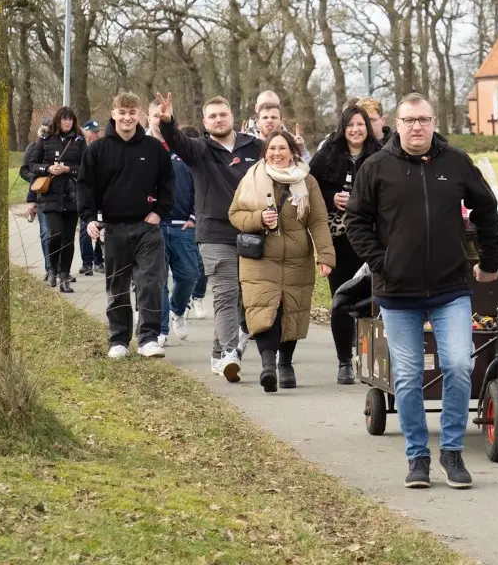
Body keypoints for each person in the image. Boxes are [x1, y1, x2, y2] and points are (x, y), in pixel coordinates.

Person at [345, 93, 498, 491]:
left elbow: (486, 209)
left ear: (434, 122)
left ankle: (451, 452)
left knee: (458, 365)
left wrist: (488, 260)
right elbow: (356, 221)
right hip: (398, 293)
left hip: (450, 288)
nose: (417, 127)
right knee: (408, 375)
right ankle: (417, 456)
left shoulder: (456, 163)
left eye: (424, 120)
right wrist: (382, 263)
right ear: (396, 124)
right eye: (409, 120)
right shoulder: (376, 167)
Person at [154, 92, 263, 381]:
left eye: (222, 114)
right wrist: (167, 122)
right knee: (226, 293)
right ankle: (230, 353)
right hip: (215, 234)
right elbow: (177, 141)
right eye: (212, 116)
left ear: (232, 117)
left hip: (252, 232)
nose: (218, 120)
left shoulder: (255, 147)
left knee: (242, 299)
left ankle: (217, 355)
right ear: (205, 122)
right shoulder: (199, 150)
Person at [229, 129, 335, 392]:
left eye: (282, 148)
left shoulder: (307, 181)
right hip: (261, 258)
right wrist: (257, 219)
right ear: (265, 152)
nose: (277, 153)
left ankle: (285, 364)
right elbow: (235, 214)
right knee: (264, 309)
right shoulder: (252, 177)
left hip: (297, 259)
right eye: (272, 149)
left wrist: (325, 256)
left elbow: (319, 221)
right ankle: (268, 366)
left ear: (292, 152)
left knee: (292, 311)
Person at [79, 91, 175, 360]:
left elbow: (168, 183)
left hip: (147, 228)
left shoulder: (153, 148)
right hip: (113, 228)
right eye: (122, 112)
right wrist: (90, 218)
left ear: (139, 115)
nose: (127, 118)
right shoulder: (97, 149)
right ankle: (118, 339)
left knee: (150, 283)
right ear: (113, 114)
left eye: (132, 113)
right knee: (117, 286)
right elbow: (85, 188)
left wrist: (159, 212)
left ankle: (149, 338)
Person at [309, 104, 383, 384]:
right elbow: (310, 186)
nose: (355, 130)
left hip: (371, 240)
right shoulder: (327, 154)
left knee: (372, 301)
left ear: (368, 127)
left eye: (360, 124)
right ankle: (344, 362)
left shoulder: (380, 154)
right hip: (339, 240)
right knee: (341, 299)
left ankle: (370, 356)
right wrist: (332, 198)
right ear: (342, 128)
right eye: (350, 125)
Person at [146, 103, 203, 346]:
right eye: (155, 116)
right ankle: (161, 330)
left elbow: (200, 183)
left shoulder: (185, 147)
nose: (159, 120)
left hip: (182, 226)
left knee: (190, 275)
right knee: (158, 280)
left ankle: (178, 310)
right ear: (147, 118)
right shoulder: (141, 146)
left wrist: (193, 216)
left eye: (163, 117)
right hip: (153, 225)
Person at [24, 108, 86, 292]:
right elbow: (32, 165)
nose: (67, 122)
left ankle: (65, 275)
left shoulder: (79, 141)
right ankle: (52, 269)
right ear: (58, 121)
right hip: (50, 195)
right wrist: (48, 169)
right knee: (54, 234)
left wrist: (68, 169)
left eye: (70, 119)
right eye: (64, 119)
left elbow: (87, 167)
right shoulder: (45, 139)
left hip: (72, 195)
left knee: (68, 239)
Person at [21, 118, 52, 280]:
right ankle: (50, 268)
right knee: (46, 233)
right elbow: (26, 171)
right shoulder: (33, 148)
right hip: (41, 196)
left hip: (62, 196)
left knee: (61, 235)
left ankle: (61, 269)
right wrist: (41, 182)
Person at [76, 120, 107, 275]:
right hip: (86, 194)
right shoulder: (80, 148)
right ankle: (87, 262)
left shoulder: (102, 147)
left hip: (100, 194)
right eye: (93, 131)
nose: (96, 134)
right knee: (86, 228)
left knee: (101, 228)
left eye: (97, 131)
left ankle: (98, 260)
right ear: (86, 132)